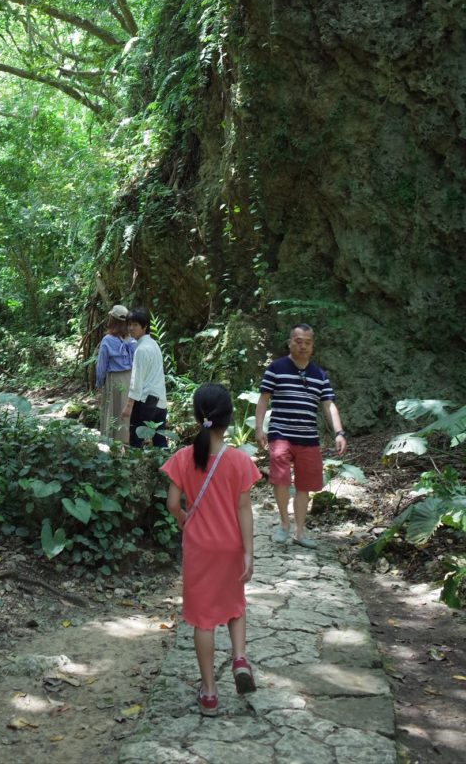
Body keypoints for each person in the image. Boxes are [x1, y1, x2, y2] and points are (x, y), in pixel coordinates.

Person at [161, 384, 261, 717]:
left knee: (203, 620)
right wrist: (248, 551)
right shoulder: (239, 461)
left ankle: (209, 693)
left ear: (196, 416)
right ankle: (240, 659)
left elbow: (172, 503)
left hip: (199, 549)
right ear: (228, 419)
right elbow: (244, 509)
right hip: (230, 545)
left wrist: (183, 519)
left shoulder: (182, 458)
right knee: (235, 603)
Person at [254, 323, 347, 548]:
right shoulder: (276, 368)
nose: (303, 346)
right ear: (290, 342)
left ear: (312, 345)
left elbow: (328, 405)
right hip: (280, 433)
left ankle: (300, 531)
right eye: (298, 341)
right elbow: (264, 399)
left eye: (307, 342)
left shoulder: (319, 375)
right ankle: (284, 525)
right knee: (281, 478)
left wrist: (339, 432)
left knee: (305, 485)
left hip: (308, 438)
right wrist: (259, 428)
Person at [121, 307, 168, 448]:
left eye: (135, 325)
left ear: (145, 326)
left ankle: (134, 468)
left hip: (145, 401)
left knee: (136, 440)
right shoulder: (154, 344)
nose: (131, 328)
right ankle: (166, 468)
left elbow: (137, 380)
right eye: (129, 324)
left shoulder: (141, 350)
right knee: (160, 439)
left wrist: (129, 406)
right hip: (160, 400)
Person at [95, 304, 134, 443]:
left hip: (114, 380)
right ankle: (128, 442)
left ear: (113, 320)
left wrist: (99, 387)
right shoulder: (131, 339)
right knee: (126, 413)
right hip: (130, 379)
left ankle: (112, 444)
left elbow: (101, 366)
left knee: (113, 411)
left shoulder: (107, 340)